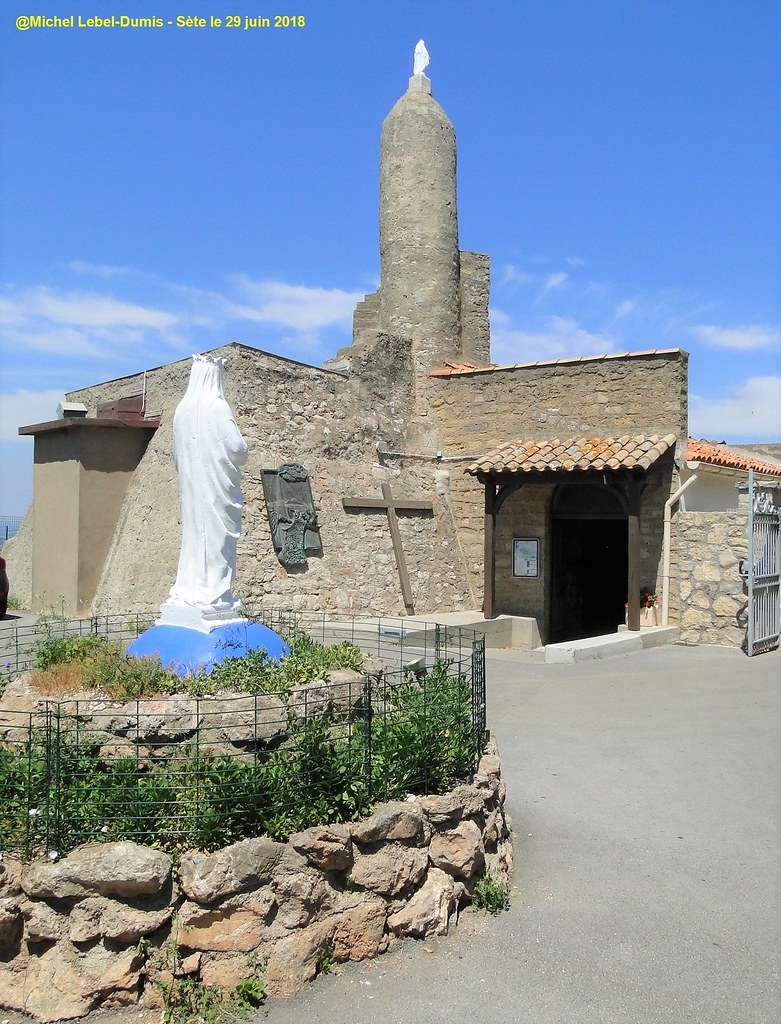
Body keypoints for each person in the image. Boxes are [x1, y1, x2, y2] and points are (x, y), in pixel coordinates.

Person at [167, 354, 248, 611]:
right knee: (215, 540)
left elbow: (176, 456)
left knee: (194, 539)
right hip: (215, 489)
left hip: (192, 489)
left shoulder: (181, 410)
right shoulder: (217, 407)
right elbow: (237, 449)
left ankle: (191, 587)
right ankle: (214, 592)